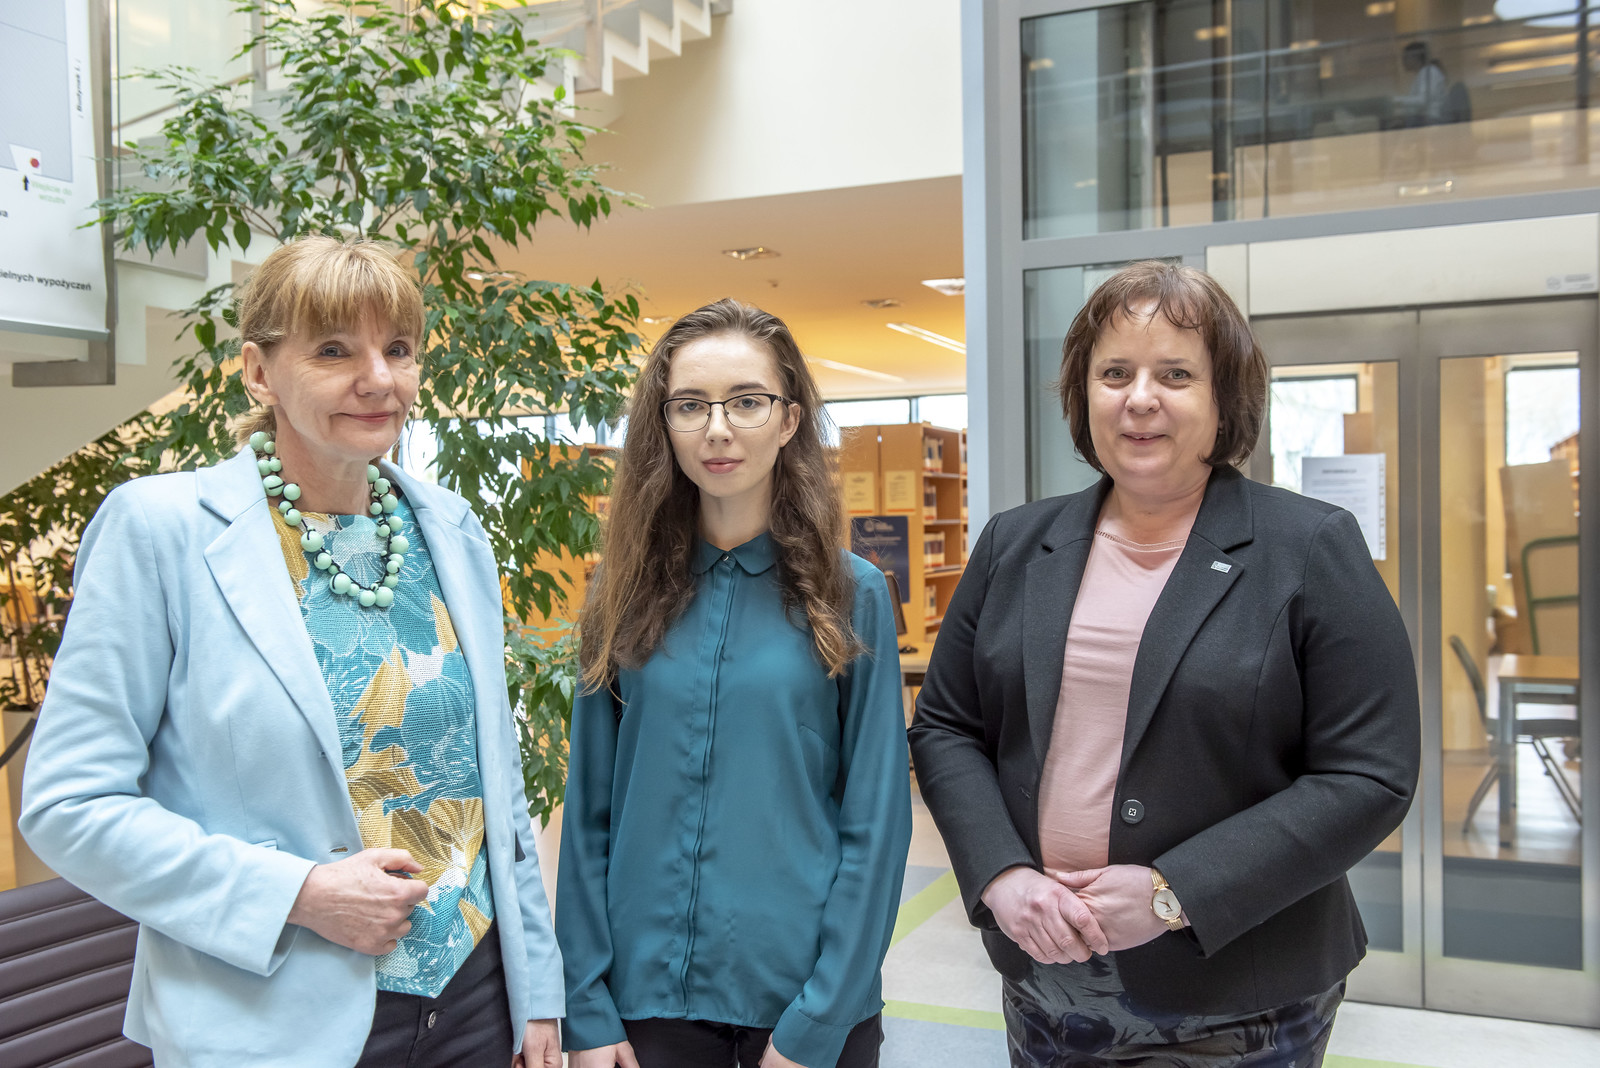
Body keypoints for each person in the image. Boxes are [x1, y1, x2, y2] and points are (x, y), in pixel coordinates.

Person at [20, 236, 564, 1068]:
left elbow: (497, 789)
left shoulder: (451, 530)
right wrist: (298, 894)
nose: (378, 378)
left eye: (399, 349)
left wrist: (538, 993)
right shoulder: (158, 531)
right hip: (276, 1017)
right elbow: (70, 804)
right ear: (258, 371)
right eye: (334, 350)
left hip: (473, 1004)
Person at [908, 261, 1420, 1066]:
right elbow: (946, 726)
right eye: (1114, 373)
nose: (1139, 398)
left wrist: (1172, 893)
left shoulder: (1309, 547)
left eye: (1175, 374)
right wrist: (1000, 875)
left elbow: (1369, 774)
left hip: (1238, 989)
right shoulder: (1015, 543)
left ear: (1224, 399)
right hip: (1046, 974)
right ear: (1084, 395)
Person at [557, 299, 912, 1068]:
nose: (718, 429)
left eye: (747, 402)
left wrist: (820, 1021)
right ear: (664, 425)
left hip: (803, 1004)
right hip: (643, 1005)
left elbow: (877, 825)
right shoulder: (619, 596)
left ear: (789, 420)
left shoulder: (852, 595)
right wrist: (584, 1006)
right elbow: (587, 816)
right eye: (691, 405)